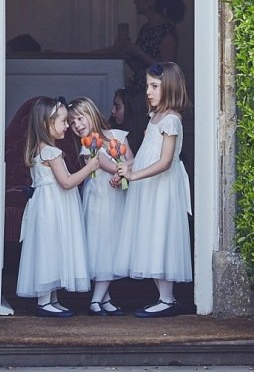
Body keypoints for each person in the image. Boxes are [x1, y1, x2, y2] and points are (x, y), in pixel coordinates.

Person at [114, 61, 192, 318]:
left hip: (162, 188)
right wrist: (125, 167)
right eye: (148, 86)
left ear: (169, 87)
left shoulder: (172, 120)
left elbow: (165, 161)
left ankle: (167, 299)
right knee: (149, 234)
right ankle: (163, 297)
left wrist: (134, 175)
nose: (148, 91)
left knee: (161, 234)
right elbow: (146, 153)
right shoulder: (154, 117)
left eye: (155, 86)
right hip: (147, 186)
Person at [16, 95, 100, 317]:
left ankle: (51, 299)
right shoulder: (51, 152)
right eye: (63, 121)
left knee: (51, 250)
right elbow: (67, 182)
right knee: (49, 250)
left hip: (47, 206)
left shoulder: (40, 148)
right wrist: (92, 165)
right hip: (51, 208)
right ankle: (44, 302)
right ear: (46, 124)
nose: (67, 126)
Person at [68, 96, 134, 316]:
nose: (77, 125)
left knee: (111, 244)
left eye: (79, 118)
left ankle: (104, 299)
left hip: (115, 198)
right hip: (98, 199)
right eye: (72, 122)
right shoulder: (88, 147)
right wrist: (118, 169)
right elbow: (103, 164)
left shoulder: (117, 136)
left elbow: (133, 159)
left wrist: (124, 170)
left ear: (91, 113)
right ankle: (96, 300)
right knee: (101, 244)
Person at [116, 0, 186, 88]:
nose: (136, 1)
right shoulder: (146, 28)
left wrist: (139, 53)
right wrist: (128, 55)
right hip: (141, 89)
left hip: (158, 91)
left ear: (151, 2)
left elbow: (166, 72)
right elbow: (141, 68)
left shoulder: (167, 31)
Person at [109, 86, 147, 155]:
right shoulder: (111, 130)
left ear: (130, 109)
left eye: (117, 107)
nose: (112, 110)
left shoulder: (145, 134)